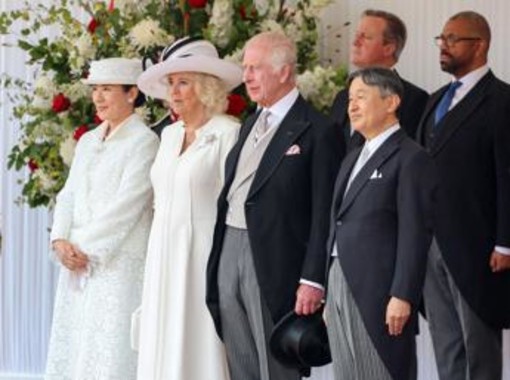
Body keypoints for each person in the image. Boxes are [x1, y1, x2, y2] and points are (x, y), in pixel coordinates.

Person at [206, 31, 343, 380]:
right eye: (245, 67)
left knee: (278, 362)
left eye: (256, 68)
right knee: (239, 355)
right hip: (230, 249)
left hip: (276, 259)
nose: (247, 76)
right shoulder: (250, 123)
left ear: (284, 72)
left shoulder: (318, 129)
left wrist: (314, 279)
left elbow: (325, 212)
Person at [134, 37, 243, 380]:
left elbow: (235, 204)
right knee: (161, 329)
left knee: (199, 335)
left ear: (207, 86)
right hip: (162, 249)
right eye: (171, 83)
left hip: (203, 252)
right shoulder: (168, 135)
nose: (174, 92)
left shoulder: (228, 132)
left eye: (183, 82)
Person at [45, 58, 159, 379]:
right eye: (96, 89)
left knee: (109, 348)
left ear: (132, 93)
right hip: (76, 260)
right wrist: (60, 241)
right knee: (76, 345)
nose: (98, 97)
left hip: (117, 263)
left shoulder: (145, 142)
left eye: (107, 89)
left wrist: (83, 249)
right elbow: (68, 194)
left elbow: (128, 205)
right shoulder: (88, 140)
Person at [325, 67, 437, 380]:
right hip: (339, 280)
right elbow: (338, 222)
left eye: (362, 97)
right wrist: (327, 287)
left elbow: (415, 232)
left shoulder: (411, 157)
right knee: (347, 372)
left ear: (391, 102)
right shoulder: (352, 157)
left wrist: (403, 295)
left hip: (380, 290)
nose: (352, 106)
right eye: (350, 99)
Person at [417, 11, 510, 380]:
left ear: (481, 44)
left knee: (479, 348)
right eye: (441, 38)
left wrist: (505, 243)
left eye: (453, 39)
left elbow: (507, 175)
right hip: (431, 243)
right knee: (447, 344)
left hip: (478, 245)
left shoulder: (502, 101)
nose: (444, 46)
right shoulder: (435, 99)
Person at [330, 9, 428, 152]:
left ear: (388, 48)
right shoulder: (342, 97)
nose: (355, 42)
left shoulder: (414, 99)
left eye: (365, 37)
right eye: (357, 35)